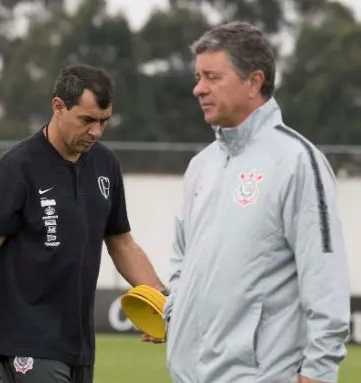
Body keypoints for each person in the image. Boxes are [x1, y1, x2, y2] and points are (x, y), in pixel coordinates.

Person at [154, 21, 351, 383]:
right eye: (198, 77)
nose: (198, 88)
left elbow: (326, 281)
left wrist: (318, 372)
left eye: (212, 76)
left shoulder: (297, 161)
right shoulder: (201, 166)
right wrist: (175, 313)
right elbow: (182, 259)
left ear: (254, 82)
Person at [0, 64, 167, 383]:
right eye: (87, 120)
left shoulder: (106, 165)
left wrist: (160, 301)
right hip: (27, 340)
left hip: (79, 343)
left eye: (104, 121)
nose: (96, 132)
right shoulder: (18, 166)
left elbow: (121, 243)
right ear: (58, 107)